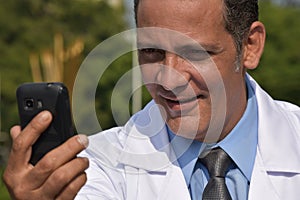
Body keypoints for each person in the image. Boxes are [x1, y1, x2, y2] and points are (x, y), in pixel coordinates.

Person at [3, 0, 300, 199]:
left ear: (250, 46)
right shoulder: (93, 168)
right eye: (151, 52)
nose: (169, 78)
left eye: (195, 53)